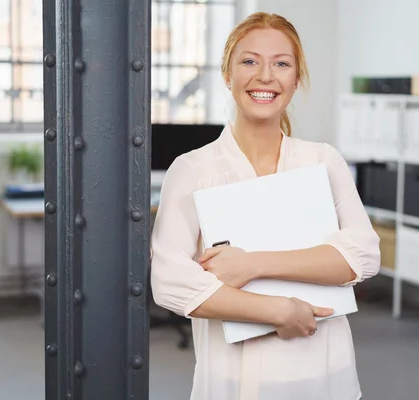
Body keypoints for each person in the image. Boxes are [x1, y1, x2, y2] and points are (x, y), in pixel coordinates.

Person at [150, 11, 381, 400]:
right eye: (249, 61)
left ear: (295, 79)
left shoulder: (323, 162)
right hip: (232, 383)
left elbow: (363, 255)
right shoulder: (191, 170)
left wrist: (252, 263)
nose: (265, 76)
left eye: (282, 64)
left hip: (326, 377)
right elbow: (171, 283)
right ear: (227, 74)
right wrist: (280, 311)